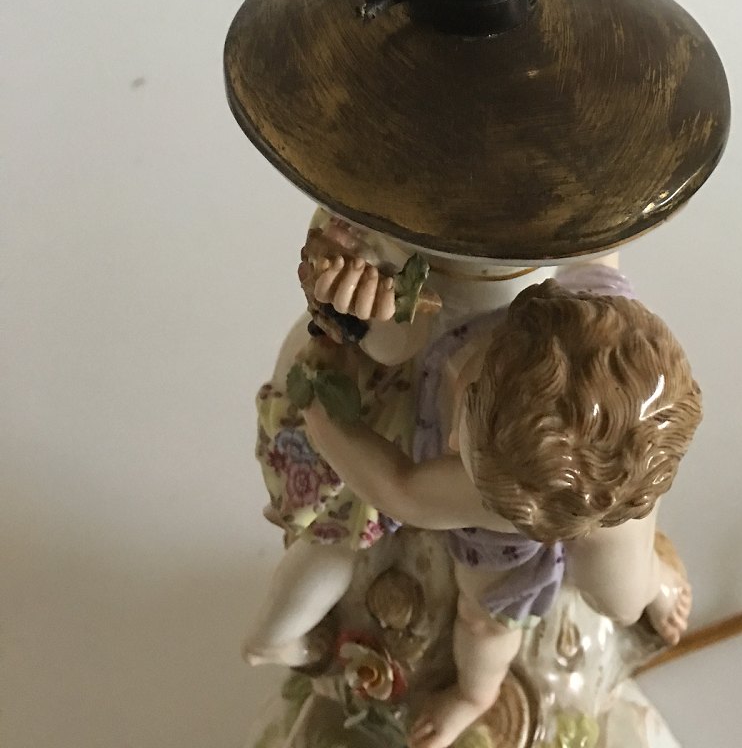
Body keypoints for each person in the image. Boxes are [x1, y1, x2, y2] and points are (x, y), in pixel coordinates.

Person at [245, 215, 701, 748]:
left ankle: (479, 692)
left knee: (506, 619)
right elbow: (598, 245)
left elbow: (400, 488)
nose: (450, 440)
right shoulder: (575, 314)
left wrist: (326, 423)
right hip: (605, 457)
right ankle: (480, 688)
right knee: (602, 537)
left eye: (463, 442)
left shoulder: (483, 490)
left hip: (571, 508)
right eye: (469, 409)